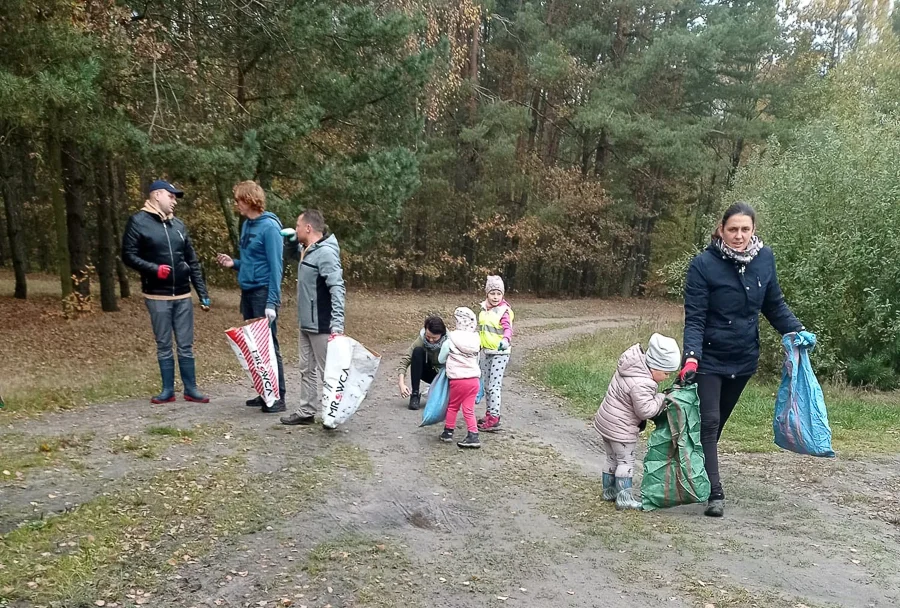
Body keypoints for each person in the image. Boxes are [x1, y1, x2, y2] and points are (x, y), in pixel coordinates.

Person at [681, 201, 812, 518]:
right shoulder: (703, 265)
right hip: (709, 357)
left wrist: (797, 332)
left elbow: (774, 305)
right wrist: (691, 358)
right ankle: (714, 493)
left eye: (745, 229)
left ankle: (696, 470)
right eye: (732, 229)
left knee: (717, 423)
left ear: (753, 230)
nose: (738, 235)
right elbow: (695, 318)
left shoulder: (764, 260)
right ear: (721, 230)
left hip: (743, 358)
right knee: (709, 422)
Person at [122, 179, 211, 404]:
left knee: (186, 344)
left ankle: (191, 389)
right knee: (163, 344)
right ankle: (167, 391)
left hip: (182, 295)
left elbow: (192, 260)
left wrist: (202, 293)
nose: (174, 202)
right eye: (171, 196)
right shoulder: (138, 222)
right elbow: (128, 255)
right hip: (156, 294)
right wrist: (154, 269)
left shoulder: (179, 226)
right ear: (157, 195)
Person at [215, 181, 286, 413]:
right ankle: (263, 391)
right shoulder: (246, 225)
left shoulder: (270, 228)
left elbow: (276, 266)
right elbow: (250, 261)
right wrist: (233, 263)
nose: (236, 205)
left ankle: (278, 396)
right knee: (253, 345)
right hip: (247, 291)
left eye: (239, 200)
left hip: (263, 292)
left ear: (250, 200)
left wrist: (272, 302)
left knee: (268, 345)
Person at [593, 333, 681, 510]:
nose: (667, 377)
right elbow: (646, 410)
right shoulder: (643, 383)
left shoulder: (631, 367)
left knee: (611, 458)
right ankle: (624, 499)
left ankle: (608, 491)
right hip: (621, 428)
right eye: (665, 373)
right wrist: (661, 397)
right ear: (655, 367)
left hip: (606, 421)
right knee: (626, 462)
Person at [278, 209, 346, 426]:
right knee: (306, 368)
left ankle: (333, 413)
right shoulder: (306, 249)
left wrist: (337, 324)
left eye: (298, 226)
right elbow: (288, 256)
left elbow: (337, 287)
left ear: (308, 228)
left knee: (328, 372)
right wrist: (289, 242)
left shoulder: (325, 253)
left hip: (322, 323)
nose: (296, 229)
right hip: (306, 321)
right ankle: (307, 410)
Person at [438, 307, 482, 449]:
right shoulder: (476, 341)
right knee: (468, 409)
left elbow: (440, 359)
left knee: (453, 406)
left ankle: (448, 432)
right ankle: (473, 435)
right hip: (474, 380)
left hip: (458, 380)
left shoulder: (450, 340)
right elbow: (478, 360)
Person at [477, 276, 514, 432]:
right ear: (487, 294)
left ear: (503, 295)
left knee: (494, 386)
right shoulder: (484, 310)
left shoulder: (503, 311)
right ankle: (489, 414)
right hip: (486, 352)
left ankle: (494, 418)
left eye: (499, 294)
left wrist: (506, 339)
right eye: (493, 293)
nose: (495, 297)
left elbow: (508, 328)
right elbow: (481, 330)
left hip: (500, 352)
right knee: (486, 385)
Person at [398, 316, 447, 410]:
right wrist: (401, 383)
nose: (431, 340)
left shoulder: (449, 341)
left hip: (445, 375)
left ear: (442, 334)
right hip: (430, 372)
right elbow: (405, 359)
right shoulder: (422, 339)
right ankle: (415, 394)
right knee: (417, 351)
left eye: (434, 338)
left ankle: (443, 393)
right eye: (428, 337)